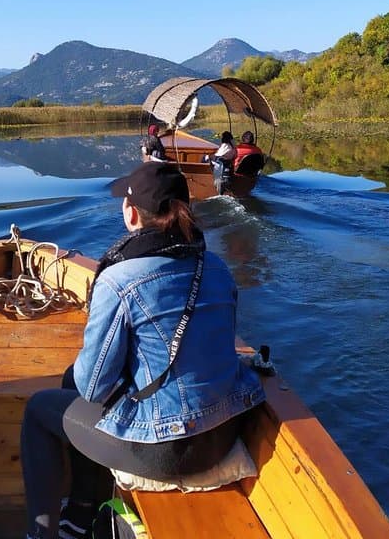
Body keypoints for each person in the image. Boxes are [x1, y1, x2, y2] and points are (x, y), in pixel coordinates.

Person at [20, 162, 265, 539]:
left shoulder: (120, 279)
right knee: (72, 379)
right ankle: (84, 510)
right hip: (223, 432)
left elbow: (92, 388)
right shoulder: (215, 268)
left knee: (40, 409)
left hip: (166, 449)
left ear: (131, 213)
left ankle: (46, 533)